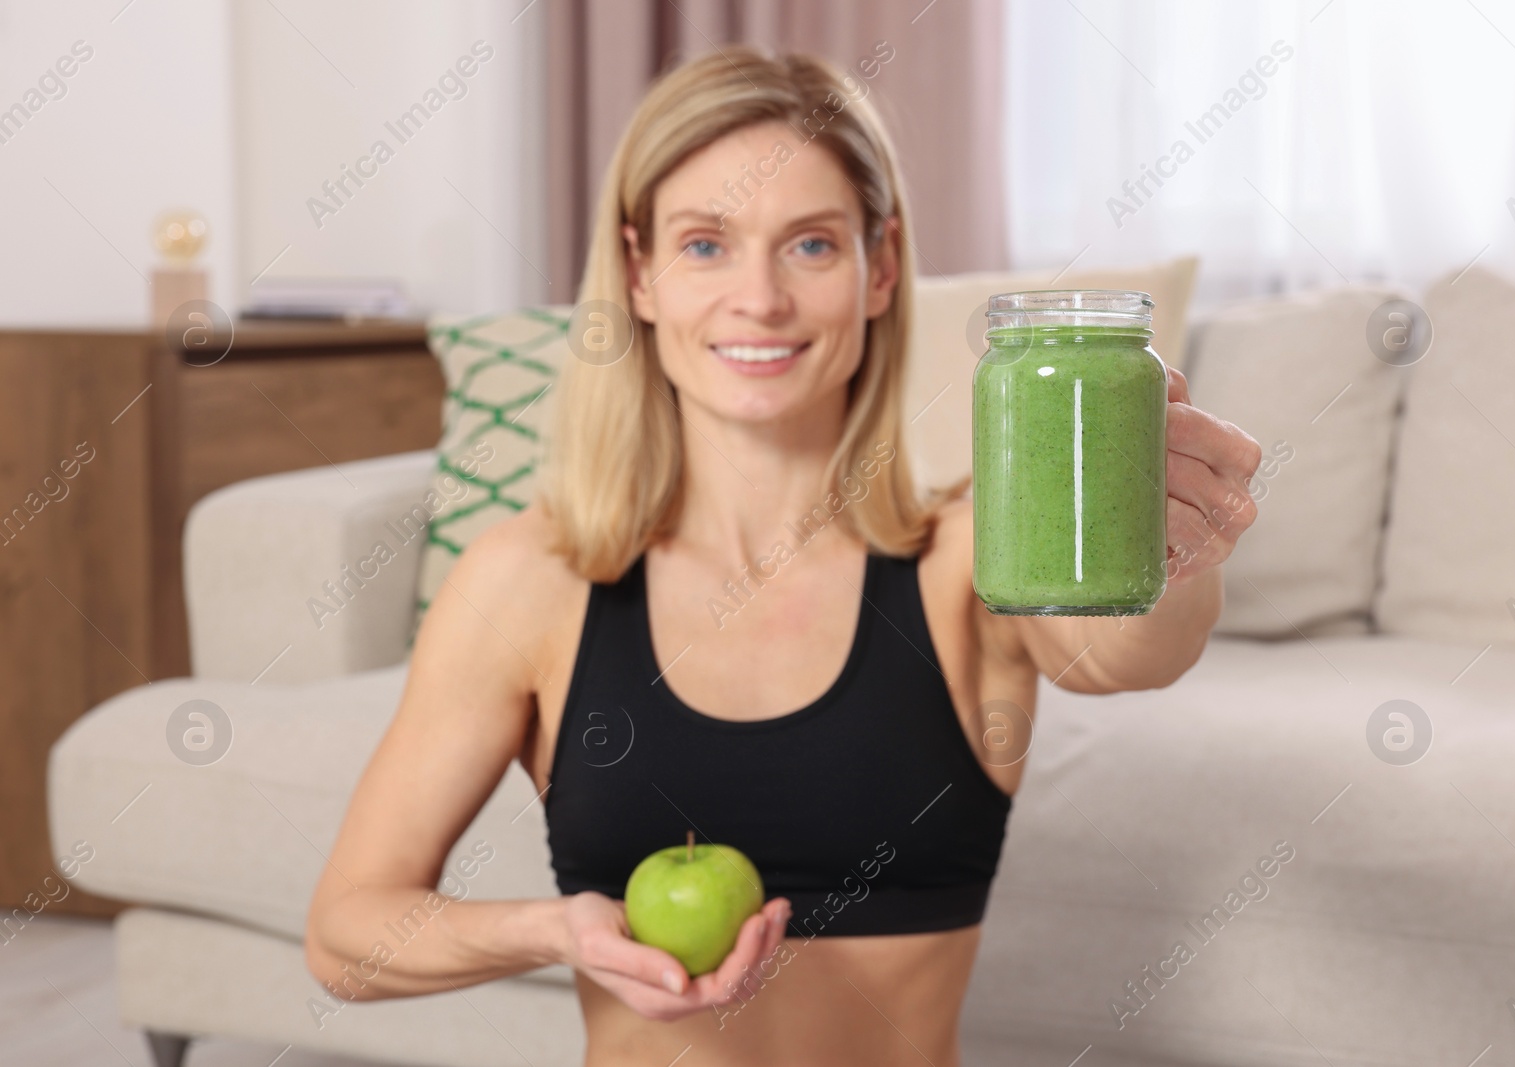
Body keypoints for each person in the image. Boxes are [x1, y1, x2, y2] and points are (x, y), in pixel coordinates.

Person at [303, 44, 1261, 1067]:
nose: (757, 298)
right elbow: (346, 933)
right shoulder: (528, 578)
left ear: (879, 266)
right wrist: (556, 927)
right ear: (638, 272)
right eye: (705, 245)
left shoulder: (969, 553)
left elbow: (1130, 654)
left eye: (808, 244)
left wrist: (1174, 542)